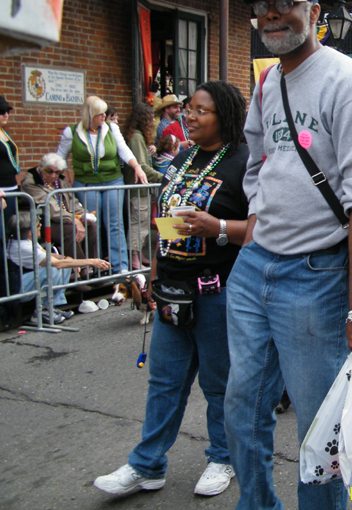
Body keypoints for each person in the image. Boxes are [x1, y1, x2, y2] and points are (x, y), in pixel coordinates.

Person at [226, 0, 352, 510]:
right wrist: (254, 224)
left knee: (320, 430)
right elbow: (258, 158)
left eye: (286, 4)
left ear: (314, 13)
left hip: (316, 276)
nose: (271, 14)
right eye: (263, 5)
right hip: (255, 270)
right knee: (242, 405)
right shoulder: (269, 80)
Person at [94, 81, 250, 497]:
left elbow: (263, 230)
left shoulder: (243, 163)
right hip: (172, 290)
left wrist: (216, 227)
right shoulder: (181, 159)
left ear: (226, 116)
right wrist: (154, 277)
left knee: (219, 384)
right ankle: (147, 465)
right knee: (164, 381)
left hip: (218, 293)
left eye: (202, 110)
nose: (191, 116)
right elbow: (166, 226)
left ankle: (222, 458)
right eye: (189, 108)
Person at [56, 96, 148, 273]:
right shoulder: (72, 132)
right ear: (90, 115)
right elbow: (61, 156)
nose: (104, 116)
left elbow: (123, 149)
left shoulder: (112, 128)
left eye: (105, 113)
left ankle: (120, 265)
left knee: (115, 222)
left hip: (113, 179)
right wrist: (59, 174)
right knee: (93, 224)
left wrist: (136, 166)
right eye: (100, 114)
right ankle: (95, 265)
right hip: (86, 183)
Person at [8, 213, 110, 325]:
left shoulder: (27, 241)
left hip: (26, 281)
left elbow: (45, 253)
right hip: (18, 288)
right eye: (38, 225)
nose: (41, 226)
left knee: (66, 265)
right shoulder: (24, 247)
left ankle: (51, 306)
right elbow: (56, 263)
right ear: (29, 232)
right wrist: (92, 261)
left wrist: (67, 258)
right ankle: (41, 312)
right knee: (53, 268)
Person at [20, 153, 100, 264]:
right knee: (70, 230)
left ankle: (92, 266)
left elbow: (72, 201)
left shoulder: (60, 181)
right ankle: (79, 268)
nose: (53, 176)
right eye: (49, 171)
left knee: (92, 227)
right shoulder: (31, 182)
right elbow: (52, 209)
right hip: (45, 222)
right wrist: (75, 221)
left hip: (65, 219)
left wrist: (83, 215)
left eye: (57, 172)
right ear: (41, 167)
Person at [122, 104, 164, 270]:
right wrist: (164, 177)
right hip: (137, 189)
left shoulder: (138, 138)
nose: (153, 121)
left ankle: (139, 254)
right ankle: (134, 256)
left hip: (142, 188)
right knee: (137, 222)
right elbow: (142, 166)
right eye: (151, 117)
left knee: (143, 223)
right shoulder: (136, 138)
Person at [0, 95, 21, 327]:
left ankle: (13, 306)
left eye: (7, 111)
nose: (6, 114)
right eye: (1, 111)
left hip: (12, 192)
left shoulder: (3, 133)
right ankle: (2, 307)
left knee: (10, 246)